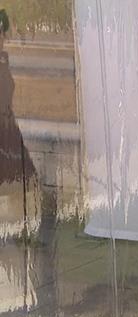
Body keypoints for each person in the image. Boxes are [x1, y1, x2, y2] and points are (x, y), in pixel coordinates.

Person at [0, 9, 36, 226]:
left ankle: (22, 228)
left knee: (19, 183)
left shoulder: (4, 60)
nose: (2, 38)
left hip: (8, 129)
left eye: (2, 33)